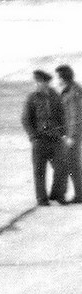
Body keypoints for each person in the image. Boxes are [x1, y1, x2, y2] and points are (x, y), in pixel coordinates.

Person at [23, 69, 68, 206]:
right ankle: (42, 199)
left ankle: (58, 195)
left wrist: (62, 133)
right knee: (39, 171)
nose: (38, 84)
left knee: (62, 167)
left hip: (55, 139)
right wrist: (32, 136)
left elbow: (62, 116)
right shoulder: (32, 98)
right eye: (37, 82)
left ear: (47, 82)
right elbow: (26, 119)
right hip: (39, 140)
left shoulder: (55, 96)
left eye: (41, 82)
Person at [56, 65, 82, 205]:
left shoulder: (73, 92)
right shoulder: (71, 90)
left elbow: (75, 116)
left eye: (58, 77)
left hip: (72, 135)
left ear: (63, 78)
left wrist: (71, 136)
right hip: (71, 134)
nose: (57, 80)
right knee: (73, 165)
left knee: (70, 164)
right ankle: (79, 194)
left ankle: (74, 194)